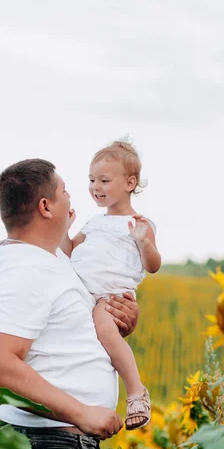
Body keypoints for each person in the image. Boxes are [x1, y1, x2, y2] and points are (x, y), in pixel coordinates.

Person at [0, 158, 140, 449]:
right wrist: (82, 413)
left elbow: (67, 338)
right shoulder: (23, 269)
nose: (74, 200)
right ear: (45, 207)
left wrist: (121, 323)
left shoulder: (54, 262)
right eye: (66, 191)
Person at [61, 141, 161, 431]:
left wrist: (143, 241)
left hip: (110, 296)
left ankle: (136, 390)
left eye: (104, 180)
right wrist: (64, 228)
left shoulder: (139, 224)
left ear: (130, 183)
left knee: (106, 331)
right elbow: (68, 250)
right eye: (92, 180)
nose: (96, 187)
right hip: (83, 295)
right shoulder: (93, 223)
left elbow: (153, 265)